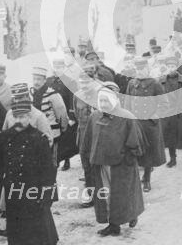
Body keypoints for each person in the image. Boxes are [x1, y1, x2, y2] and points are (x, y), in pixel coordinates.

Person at [0, 97, 59, 245]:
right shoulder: (4, 137)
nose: (18, 120)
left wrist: (47, 193)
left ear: (29, 117)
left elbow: (48, 169)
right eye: (15, 116)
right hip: (13, 190)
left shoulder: (38, 138)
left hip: (33, 191)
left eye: (22, 117)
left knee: (38, 231)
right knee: (16, 232)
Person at [82, 87, 145, 237]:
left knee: (124, 194)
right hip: (101, 164)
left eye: (106, 101)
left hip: (121, 165)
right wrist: (89, 157)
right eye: (101, 101)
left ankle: (132, 214)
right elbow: (88, 140)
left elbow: (136, 143)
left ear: (113, 101)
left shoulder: (126, 117)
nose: (103, 104)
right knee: (107, 195)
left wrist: (128, 159)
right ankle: (114, 225)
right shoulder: (94, 117)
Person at [124, 57, 167, 192]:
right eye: (137, 69)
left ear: (147, 69)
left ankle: (147, 179)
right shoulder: (132, 83)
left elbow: (164, 104)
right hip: (135, 123)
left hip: (149, 125)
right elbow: (127, 102)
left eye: (142, 69)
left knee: (148, 152)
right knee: (134, 150)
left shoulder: (155, 84)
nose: (139, 71)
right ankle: (136, 178)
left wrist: (155, 115)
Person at [159, 56, 182, 166]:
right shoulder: (161, 81)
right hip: (168, 113)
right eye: (169, 66)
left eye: (173, 66)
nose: (171, 68)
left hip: (181, 113)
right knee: (170, 137)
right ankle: (172, 159)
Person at [31, 66, 69, 165]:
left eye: (39, 79)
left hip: (51, 133)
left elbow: (62, 115)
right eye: (34, 79)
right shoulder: (31, 94)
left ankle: (52, 180)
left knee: (52, 160)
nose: (36, 82)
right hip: (35, 133)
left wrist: (62, 129)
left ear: (44, 80)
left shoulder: (53, 94)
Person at [75, 67, 100, 207]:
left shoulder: (100, 95)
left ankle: (101, 195)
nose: (84, 85)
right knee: (86, 167)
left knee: (97, 166)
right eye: (81, 82)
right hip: (83, 135)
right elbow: (77, 116)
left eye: (87, 82)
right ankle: (91, 196)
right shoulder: (77, 95)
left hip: (97, 136)